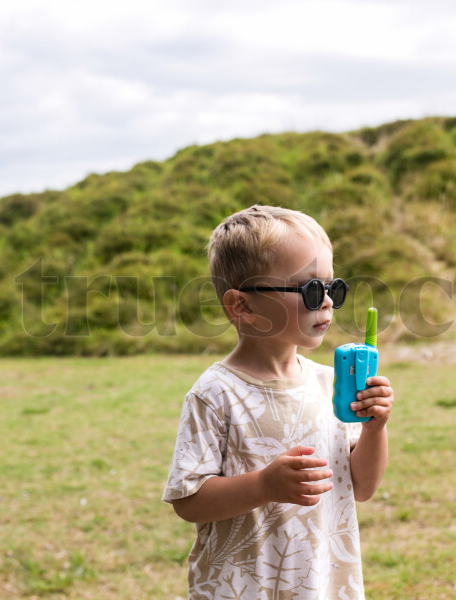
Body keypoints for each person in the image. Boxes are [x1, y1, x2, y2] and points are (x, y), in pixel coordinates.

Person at [162, 204, 395, 600]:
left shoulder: (328, 383)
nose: (324, 302)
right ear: (243, 306)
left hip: (319, 583)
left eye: (331, 288)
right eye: (309, 290)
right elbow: (189, 501)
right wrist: (263, 485)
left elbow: (362, 486)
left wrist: (375, 430)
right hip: (244, 587)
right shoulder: (216, 392)